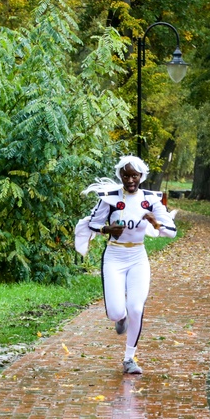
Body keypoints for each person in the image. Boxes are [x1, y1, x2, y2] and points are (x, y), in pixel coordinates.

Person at [74, 155, 177, 375]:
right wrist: (107, 230)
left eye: (135, 175)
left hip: (138, 256)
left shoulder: (151, 200)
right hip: (114, 257)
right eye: (126, 175)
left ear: (141, 176)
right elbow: (93, 223)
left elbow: (171, 231)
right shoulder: (109, 198)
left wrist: (155, 222)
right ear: (120, 175)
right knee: (115, 311)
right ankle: (120, 318)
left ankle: (129, 358)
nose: (130, 179)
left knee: (136, 308)